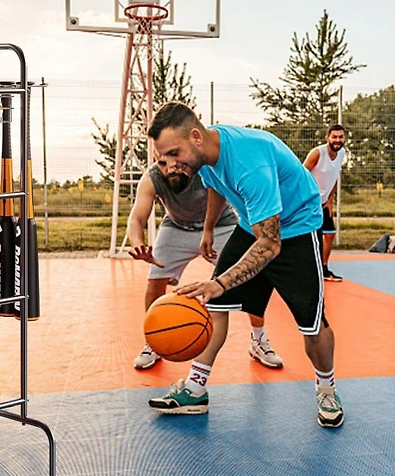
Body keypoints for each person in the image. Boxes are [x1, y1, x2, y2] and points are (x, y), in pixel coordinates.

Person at [144, 101, 343, 429]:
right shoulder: (204, 154)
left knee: (312, 323)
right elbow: (217, 187)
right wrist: (208, 228)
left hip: (296, 227)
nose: (170, 165)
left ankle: (326, 388)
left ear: (195, 136)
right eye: (163, 159)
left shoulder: (249, 162)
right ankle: (195, 389)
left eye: (174, 155)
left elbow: (271, 243)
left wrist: (219, 281)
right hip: (254, 224)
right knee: (214, 305)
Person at [127, 161, 283, 369]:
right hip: (176, 228)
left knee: (251, 279)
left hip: (220, 225)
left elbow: (218, 194)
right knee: (155, 280)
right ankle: (153, 341)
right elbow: (136, 217)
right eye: (162, 162)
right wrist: (137, 244)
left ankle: (258, 339)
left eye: (172, 159)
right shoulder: (152, 178)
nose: (169, 168)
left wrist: (208, 230)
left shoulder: (200, 168)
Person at [303, 124, 347, 282]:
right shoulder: (317, 153)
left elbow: (334, 177)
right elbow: (302, 175)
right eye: (334, 137)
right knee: (309, 237)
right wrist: (307, 199)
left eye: (340, 137)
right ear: (327, 137)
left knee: (329, 234)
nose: (337, 140)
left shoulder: (341, 153)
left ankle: (324, 268)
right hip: (309, 202)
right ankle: (306, 271)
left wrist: (329, 200)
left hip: (323, 202)